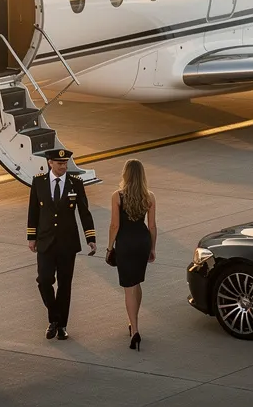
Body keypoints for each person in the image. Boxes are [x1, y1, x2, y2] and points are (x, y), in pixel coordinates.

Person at [27, 148, 96, 340]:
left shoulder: (75, 184)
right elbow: (33, 211)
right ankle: (55, 316)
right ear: (50, 163)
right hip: (45, 242)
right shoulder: (39, 182)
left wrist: (90, 238)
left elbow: (84, 212)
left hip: (67, 243)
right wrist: (31, 237)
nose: (63, 167)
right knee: (44, 280)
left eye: (65, 164)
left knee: (65, 285)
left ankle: (60, 326)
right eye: (59, 164)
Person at [107, 159, 157, 351]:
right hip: (142, 242)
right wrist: (152, 248)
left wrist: (110, 247)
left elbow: (115, 225)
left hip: (126, 244)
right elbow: (152, 226)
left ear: (125, 175)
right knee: (137, 283)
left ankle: (134, 330)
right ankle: (134, 321)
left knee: (129, 287)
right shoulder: (149, 196)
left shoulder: (117, 196)